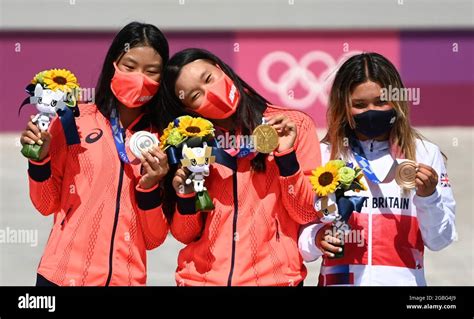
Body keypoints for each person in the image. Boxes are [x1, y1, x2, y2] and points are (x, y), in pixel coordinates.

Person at [20, 22, 170, 286]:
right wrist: (38, 161)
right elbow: (45, 205)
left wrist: (149, 189)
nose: (139, 77)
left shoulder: (162, 141)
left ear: (163, 78)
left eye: (152, 71)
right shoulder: (73, 121)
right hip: (61, 277)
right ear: (113, 64)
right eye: (129, 66)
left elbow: (153, 239)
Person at [159, 48, 322, 286]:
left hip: (273, 280)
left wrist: (285, 157)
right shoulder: (191, 144)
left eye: (208, 79)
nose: (210, 93)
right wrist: (186, 195)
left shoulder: (291, 126)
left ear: (221, 69)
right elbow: (185, 234)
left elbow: (306, 213)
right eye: (195, 95)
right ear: (188, 110)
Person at [298, 52, 456, 286]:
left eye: (381, 102)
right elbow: (301, 243)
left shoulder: (424, 153)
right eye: (360, 105)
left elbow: (439, 240)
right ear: (343, 106)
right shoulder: (323, 156)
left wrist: (428, 196)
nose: (371, 111)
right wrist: (316, 239)